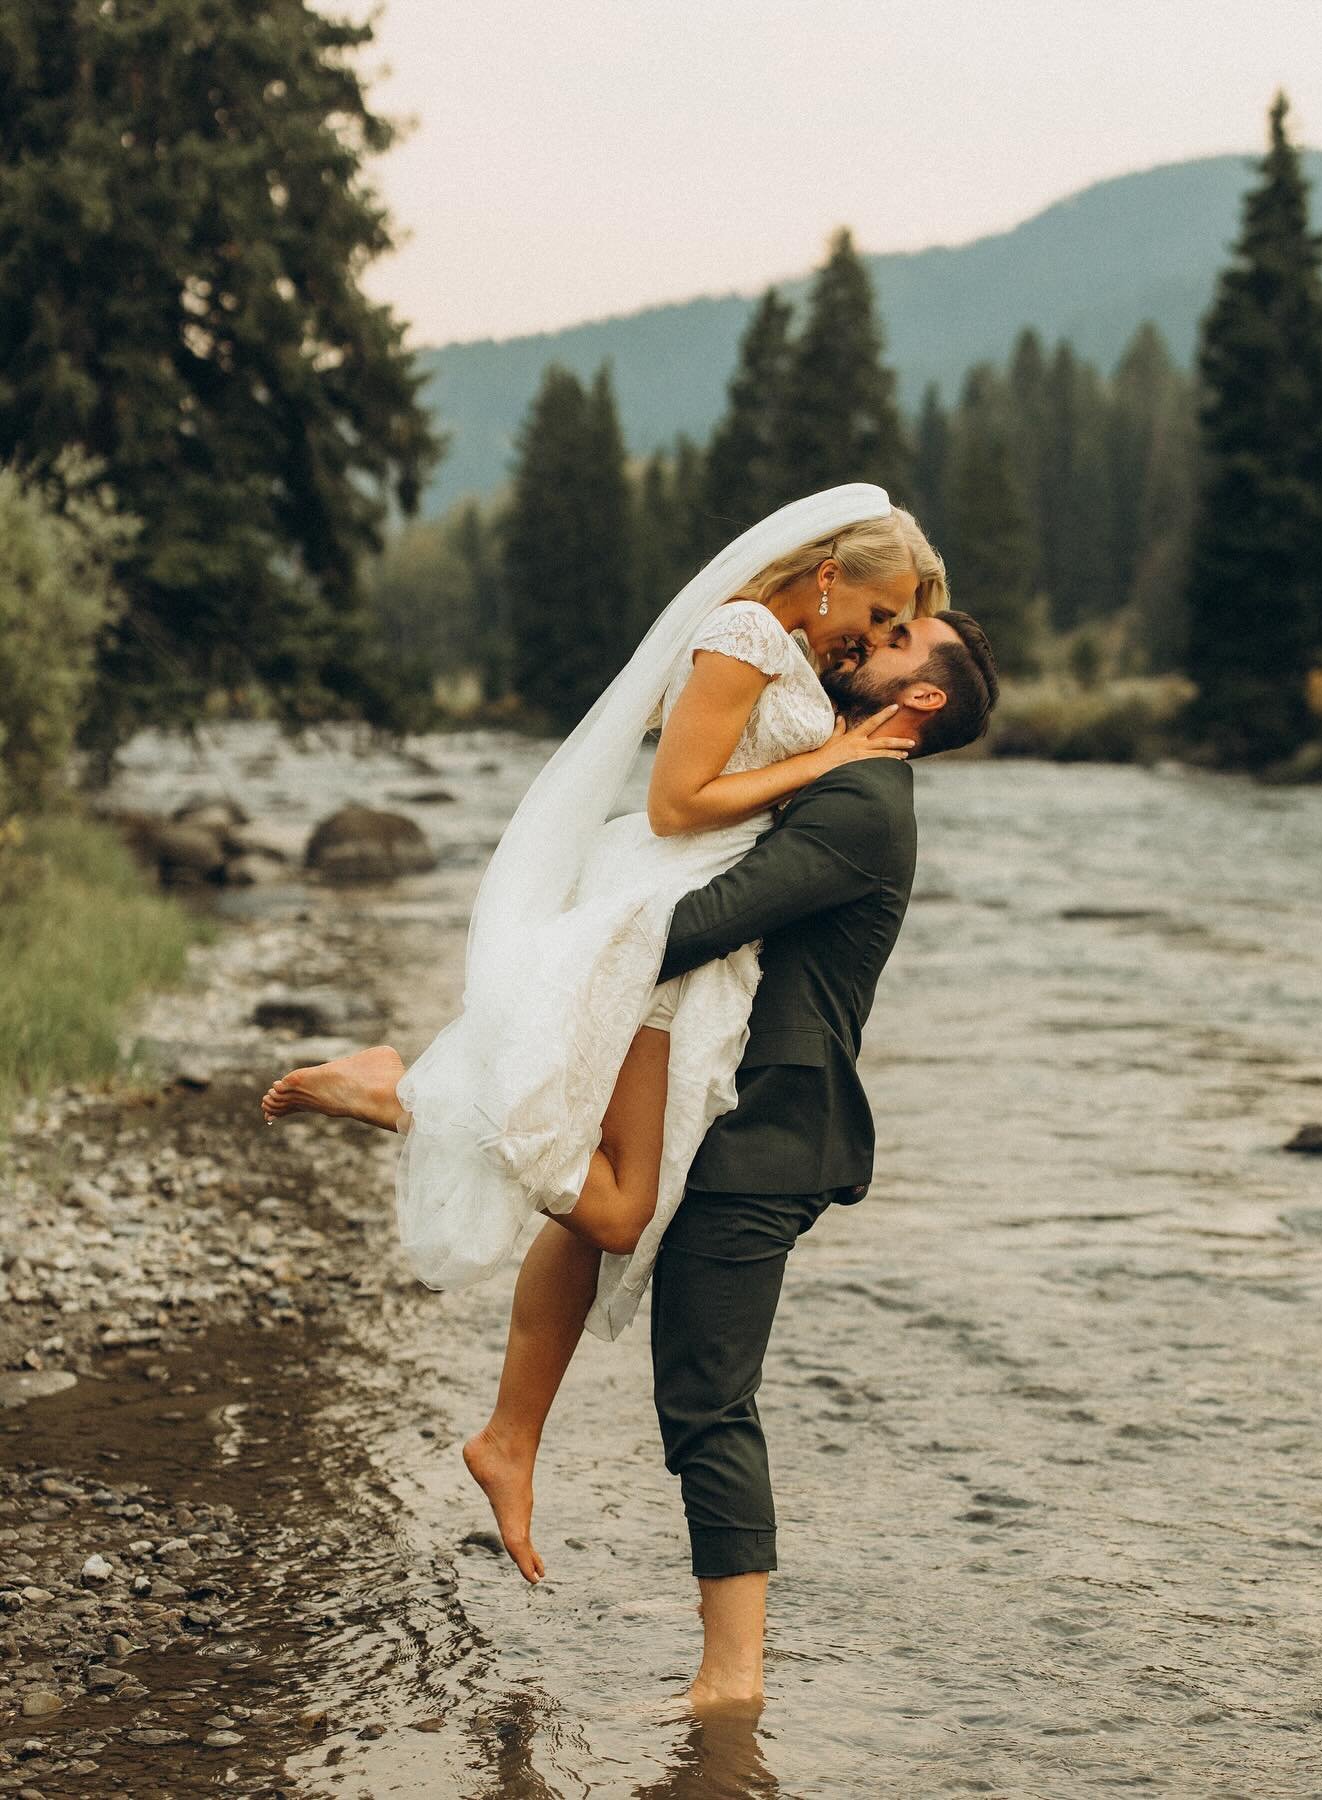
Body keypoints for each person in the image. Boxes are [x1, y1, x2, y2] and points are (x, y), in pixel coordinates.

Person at [462, 609, 998, 1713]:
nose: (873, 637)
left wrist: (553, 928)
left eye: (898, 638)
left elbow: (702, 923)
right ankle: (512, 1439)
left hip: (770, 1132)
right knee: (596, 1228)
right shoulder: (839, 775)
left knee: (708, 1400)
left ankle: (733, 1685)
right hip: (739, 1109)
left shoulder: (860, 803)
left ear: (924, 698)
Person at [259, 486, 937, 1337]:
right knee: (619, 1210)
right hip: (656, 918)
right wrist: (823, 763)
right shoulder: (746, 633)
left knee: (613, 1198)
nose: (875, 639)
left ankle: (509, 1438)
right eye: (879, 614)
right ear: (830, 575)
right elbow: (676, 804)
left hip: (691, 935)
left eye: (892, 630)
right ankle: (400, 1097)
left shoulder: (783, 645)